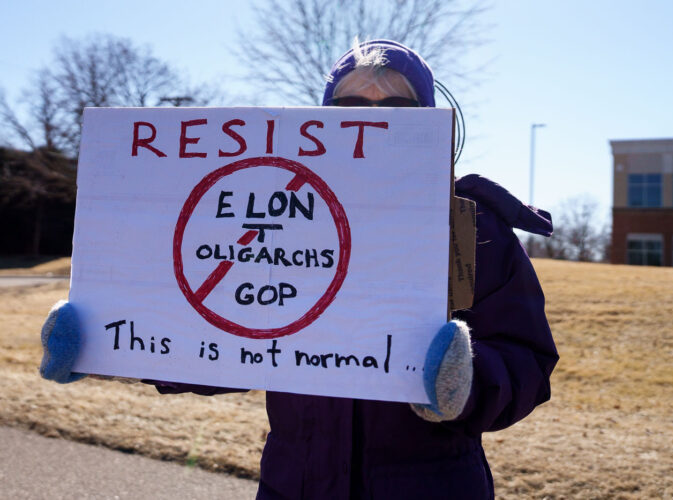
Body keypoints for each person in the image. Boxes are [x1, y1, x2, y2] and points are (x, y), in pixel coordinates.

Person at [39, 40, 558, 500]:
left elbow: (526, 361)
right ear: (325, 120)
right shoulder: (277, 213)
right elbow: (230, 340)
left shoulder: (471, 225)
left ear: (429, 119)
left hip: (435, 484)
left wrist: (464, 384)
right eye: (351, 107)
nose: (372, 122)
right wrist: (106, 337)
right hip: (294, 484)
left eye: (398, 110)